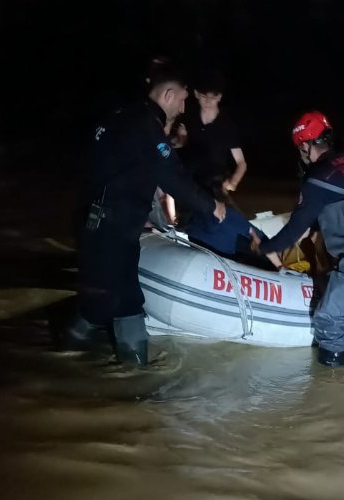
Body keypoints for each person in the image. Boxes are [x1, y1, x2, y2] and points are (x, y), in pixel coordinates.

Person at [61, 62, 227, 367]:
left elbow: (121, 171)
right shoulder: (145, 126)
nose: (182, 107)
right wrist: (211, 206)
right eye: (181, 100)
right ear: (167, 95)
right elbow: (172, 178)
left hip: (97, 218)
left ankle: (63, 353)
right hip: (113, 224)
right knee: (127, 300)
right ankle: (136, 376)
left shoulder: (120, 117)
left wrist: (141, 212)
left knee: (99, 298)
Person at [253, 111, 344, 366]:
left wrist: (263, 247)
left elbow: (294, 231)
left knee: (329, 320)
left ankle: (335, 393)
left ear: (304, 145)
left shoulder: (319, 177)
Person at [173, 68, 248, 194]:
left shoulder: (227, 125)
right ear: (196, 94)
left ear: (219, 97)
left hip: (215, 184)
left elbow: (241, 163)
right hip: (189, 182)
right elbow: (181, 143)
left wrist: (233, 182)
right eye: (203, 96)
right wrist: (177, 140)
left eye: (212, 97)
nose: (207, 101)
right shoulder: (188, 117)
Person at [184, 180, 283, 270]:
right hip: (223, 245)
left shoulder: (230, 216)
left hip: (229, 242)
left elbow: (253, 233)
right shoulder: (224, 216)